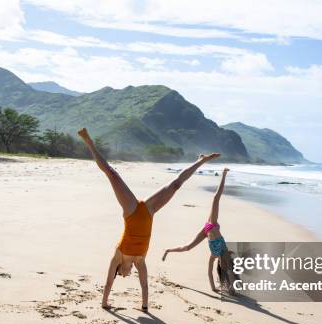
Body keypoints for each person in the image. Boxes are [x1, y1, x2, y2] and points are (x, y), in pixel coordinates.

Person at [77, 127, 220, 311]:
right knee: (176, 185)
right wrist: (144, 307)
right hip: (148, 211)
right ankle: (201, 161)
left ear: (119, 269)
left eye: (121, 275)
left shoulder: (117, 256)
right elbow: (144, 286)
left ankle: (89, 141)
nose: (125, 276)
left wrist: (104, 303)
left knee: (112, 173)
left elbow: (107, 285)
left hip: (130, 210)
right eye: (125, 276)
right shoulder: (139, 262)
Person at [162, 168, 236, 293]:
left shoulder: (213, 256)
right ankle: (223, 174)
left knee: (187, 247)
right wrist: (224, 175)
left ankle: (168, 250)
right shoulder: (225, 253)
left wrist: (213, 288)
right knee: (216, 197)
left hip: (206, 231)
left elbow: (209, 273)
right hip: (213, 225)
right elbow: (230, 270)